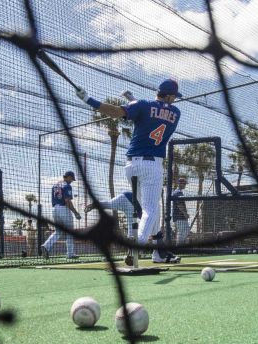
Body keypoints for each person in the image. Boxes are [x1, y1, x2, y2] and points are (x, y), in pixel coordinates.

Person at [75, 78, 182, 263]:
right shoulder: (175, 112)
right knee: (150, 210)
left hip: (131, 166)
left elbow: (120, 112)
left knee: (151, 210)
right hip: (152, 165)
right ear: (170, 96)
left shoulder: (142, 105)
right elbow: (155, 113)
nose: (175, 100)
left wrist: (88, 100)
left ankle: (158, 252)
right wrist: (132, 99)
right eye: (174, 97)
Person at [85, 191, 180, 264]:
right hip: (131, 204)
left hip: (124, 196)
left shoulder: (148, 199)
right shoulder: (152, 206)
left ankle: (96, 204)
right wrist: (155, 236)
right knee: (133, 233)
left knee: (109, 204)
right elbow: (148, 224)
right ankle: (131, 254)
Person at [40, 171, 82, 259]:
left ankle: (46, 246)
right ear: (69, 177)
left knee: (59, 231)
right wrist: (76, 213)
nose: (72, 181)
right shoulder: (67, 185)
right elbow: (67, 201)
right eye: (72, 179)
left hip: (54, 209)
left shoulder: (55, 185)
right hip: (63, 209)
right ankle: (70, 254)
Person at [172, 177, 189, 245]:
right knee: (182, 232)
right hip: (179, 217)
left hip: (179, 217)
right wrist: (185, 214)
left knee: (184, 231)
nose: (185, 185)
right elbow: (179, 205)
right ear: (180, 184)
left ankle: (179, 247)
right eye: (184, 184)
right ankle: (178, 247)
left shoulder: (178, 192)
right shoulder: (178, 192)